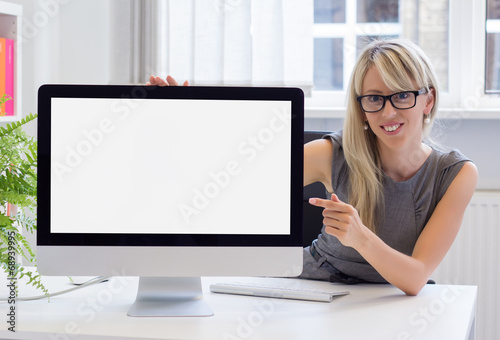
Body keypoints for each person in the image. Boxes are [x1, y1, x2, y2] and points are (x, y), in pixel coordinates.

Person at [147, 39, 478, 296]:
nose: (388, 113)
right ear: (361, 108)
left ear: (428, 100)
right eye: (374, 98)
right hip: (312, 288)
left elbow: (416, 278)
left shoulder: (456, 174)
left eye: (402, 95)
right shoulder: (331, 153)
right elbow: (233, 180)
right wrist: (185, 118)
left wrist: (360, 238)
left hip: (392, 300)